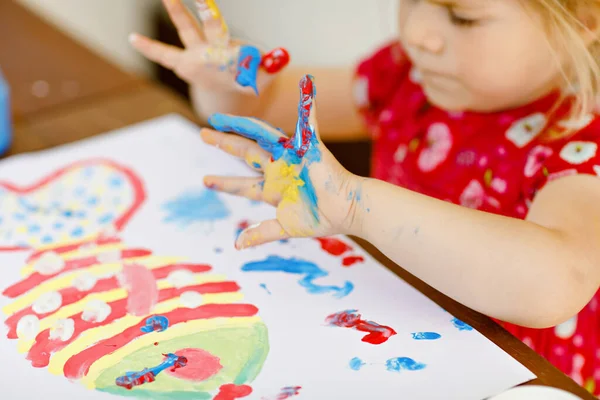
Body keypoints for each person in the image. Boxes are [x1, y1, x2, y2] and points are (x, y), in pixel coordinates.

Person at [130, 0, 600, 394]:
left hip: (520, 377)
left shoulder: (582, 139)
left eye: (463, 16)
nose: (418, 34)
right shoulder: (404, 75)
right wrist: (227, 88)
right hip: (395, 340)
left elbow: (553, 284)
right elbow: (266, 107)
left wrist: (357, 205)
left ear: (584, 21)